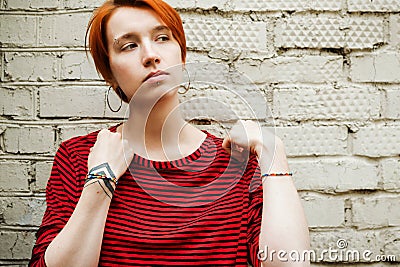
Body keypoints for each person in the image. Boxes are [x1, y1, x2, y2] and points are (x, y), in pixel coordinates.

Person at [29, 0, 310, 266]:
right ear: (110, 73)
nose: (151, 55)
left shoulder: (234, 163)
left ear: (182, 55)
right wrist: (100, 180)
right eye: (128, 45)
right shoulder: (78, 157)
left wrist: (274, 156)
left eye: (162, 38)